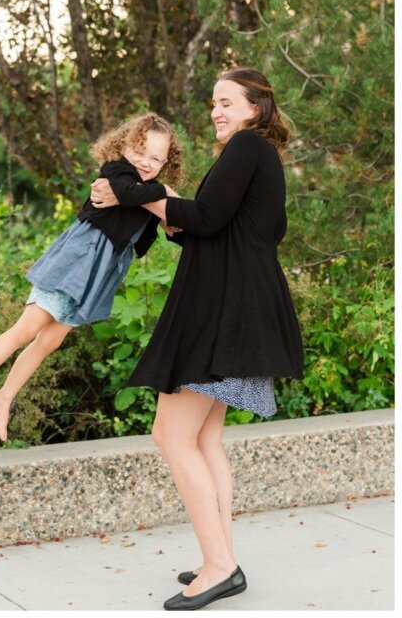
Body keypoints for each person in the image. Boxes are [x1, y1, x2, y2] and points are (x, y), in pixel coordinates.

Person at [90, 67, 303, 610]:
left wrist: (135, 194)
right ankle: (221, 556)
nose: (217, 111)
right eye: (214, 103)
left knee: (172, 435)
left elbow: (207, 219)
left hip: (222, 312)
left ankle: (220, 566)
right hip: (234, 304)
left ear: (255, 108)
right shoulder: (259, 157)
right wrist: (172, 214)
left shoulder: (246, 149)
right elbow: (229, 229)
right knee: (205, 440)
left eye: (228, 102)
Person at [0, 113, 183, 441]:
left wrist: (169, 222)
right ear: (123, 147)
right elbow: (127, 192)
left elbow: (144, 239)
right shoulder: (116, 171)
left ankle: (3, 396)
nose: (145, 163)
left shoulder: (147, 192)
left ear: (166, 161)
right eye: (139, 152)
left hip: (101, 270)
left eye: (155, 158)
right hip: (78, 259)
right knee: (28, 328)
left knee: (51, 340)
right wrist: (164, 193)